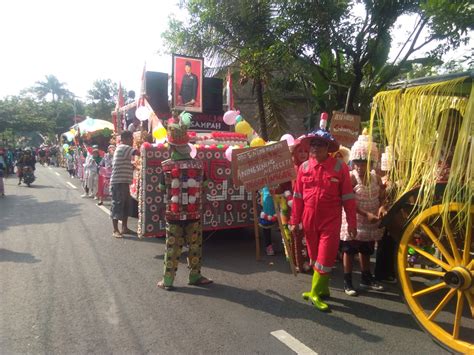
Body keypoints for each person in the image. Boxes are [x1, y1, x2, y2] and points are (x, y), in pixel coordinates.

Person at [290, 119, 357, 312]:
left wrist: (351, 224)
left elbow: (348, 198)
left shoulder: (339, 167)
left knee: (325, 257)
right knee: (313, 257)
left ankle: (315, 293)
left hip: (331, 220)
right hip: (309, 219)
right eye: (313, 144)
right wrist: (295, 220)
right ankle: (323, 288)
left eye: (320, 144)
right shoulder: (303, 168)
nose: (315, 147)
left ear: (328, 147)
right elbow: (297, 197)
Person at [157, 111, 212, 290]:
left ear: (172, 148)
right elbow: (205, 185)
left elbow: (161, 188)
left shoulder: (166, 166)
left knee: (172, 248)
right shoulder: (198, 165)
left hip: (173, 214)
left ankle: (167, 281)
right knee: (195, 246)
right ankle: (195, 276)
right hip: (194, 213)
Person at [340, 134, 386, 296]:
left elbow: (382, 197)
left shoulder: (377, 179)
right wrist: (366, 214)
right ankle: (347, 281)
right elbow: (349, 203)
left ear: (371, 163)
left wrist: (382, 208)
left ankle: (366, 277)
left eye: (364, 162)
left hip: (370, 221)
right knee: (350, 250)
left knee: (366, 249)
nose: (360, 166)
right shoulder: (351, 178)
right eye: (357, 162)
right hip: (355, 220)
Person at [110, 131, 138, 238]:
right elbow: (139, 152)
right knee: (117, 205)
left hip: (124, 182)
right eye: (131, 138)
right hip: (118, 182)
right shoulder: (123, 147)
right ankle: (115, 230)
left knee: (126, 206)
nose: (132, 141)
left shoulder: (122, 149)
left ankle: (124, 228)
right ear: (125, 139)